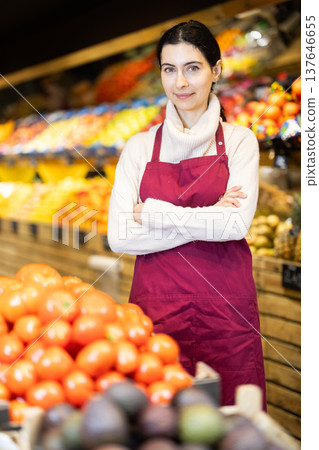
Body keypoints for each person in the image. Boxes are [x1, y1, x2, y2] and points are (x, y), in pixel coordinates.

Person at [108, 20, 266, 410]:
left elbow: (236, 225)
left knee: (232, 422)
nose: (181, 82)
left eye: (192, 68)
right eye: (169, 69)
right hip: (156, 311)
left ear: (216, 71)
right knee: (160, 422)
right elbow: (120, 236)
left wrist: (157, 212)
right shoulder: (139, 147)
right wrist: (210, 217)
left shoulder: (241, 140)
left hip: (226, 313)